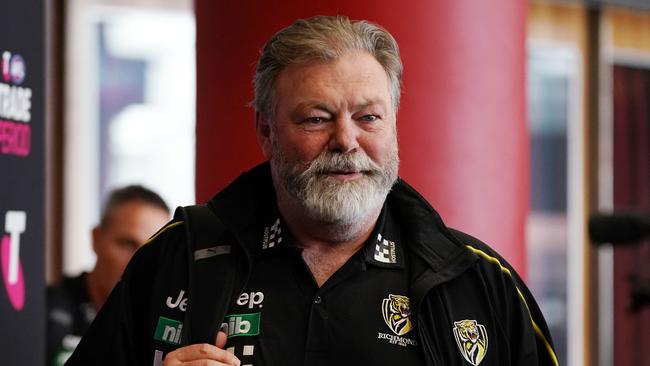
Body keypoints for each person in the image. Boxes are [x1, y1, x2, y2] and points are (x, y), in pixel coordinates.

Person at [67, 16, 559, 366]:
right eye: (317, 118)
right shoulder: (178, 257)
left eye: (368, 117)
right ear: (266, 131)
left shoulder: (478, 282)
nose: (346, 140)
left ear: (393, 126)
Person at [47, 185, 169, 366]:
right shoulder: (46, 311)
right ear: (96, 239)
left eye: (152, 252)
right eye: (128, 244)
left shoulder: (163, 326)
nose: (138, 262)